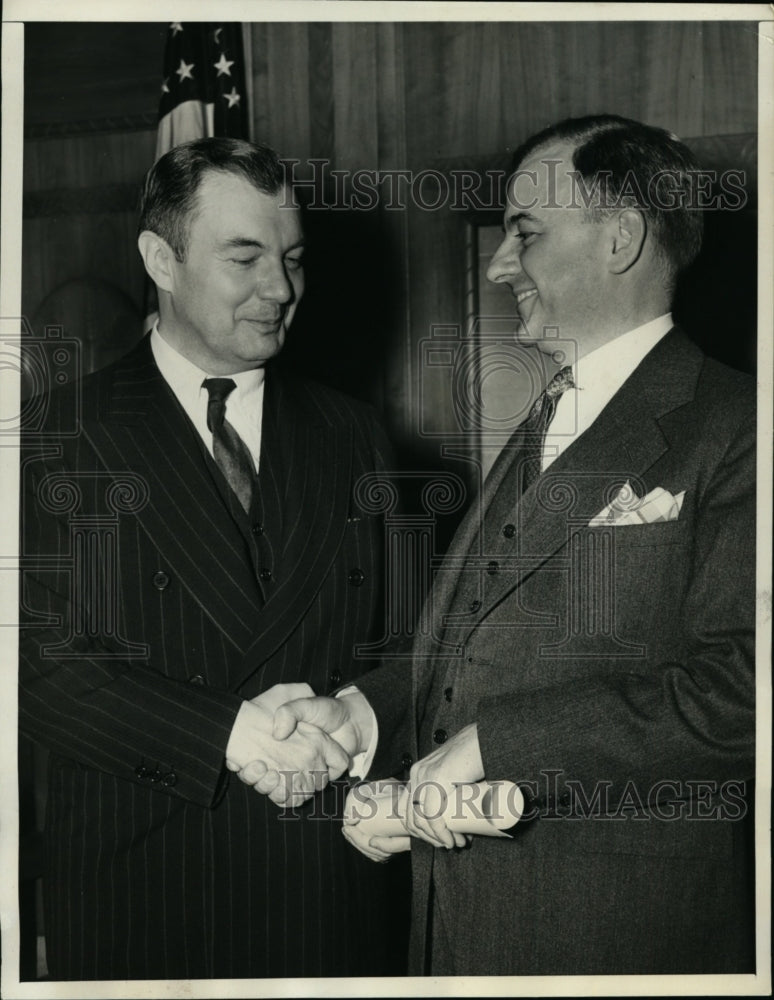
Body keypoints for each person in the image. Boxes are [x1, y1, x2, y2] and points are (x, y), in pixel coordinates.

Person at [270, 115, 757, 975]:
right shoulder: (545, 416)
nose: (499, 263)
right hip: (457, 926)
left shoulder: (738, 426)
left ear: (621, 237)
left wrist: (503, 749)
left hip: (614, 941)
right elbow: (479, 645)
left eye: (524, 234)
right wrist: (363, 712)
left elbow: (745, 689)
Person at [19, 137, 408, 980]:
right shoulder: (57, 435)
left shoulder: (354, 434)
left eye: (293, 259)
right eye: (246, 258)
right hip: (146, 902)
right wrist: (230, 732)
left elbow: (415, 646)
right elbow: (32, 664)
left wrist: (356, 713)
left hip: (325, 893)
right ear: (161, 257)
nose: (280, 289)